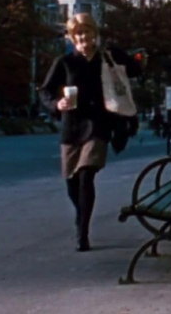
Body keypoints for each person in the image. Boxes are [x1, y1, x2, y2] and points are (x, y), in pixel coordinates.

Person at [39, 13, 140, 252]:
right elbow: (45, 91)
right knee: (71, 181)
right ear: (73, 39)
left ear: (95, 34)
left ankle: (82, 233)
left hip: (98, 126)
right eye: (78, 34)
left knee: (86, 175)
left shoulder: (107, 58)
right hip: (71, 126)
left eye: (87, 32)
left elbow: (135, 70)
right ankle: (80, 214)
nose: (83, 37)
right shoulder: (65, 63)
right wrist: (56, 104)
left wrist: (119, 54)